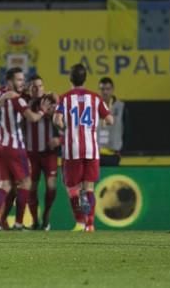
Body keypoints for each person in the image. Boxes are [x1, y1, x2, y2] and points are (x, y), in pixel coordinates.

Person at [0, 68, 53, 231]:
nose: (22, 83)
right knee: (26, 183)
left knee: (5, 184)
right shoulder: (17, 99)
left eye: (23, 80)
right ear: (9, 81)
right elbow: (33, 118)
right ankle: (18, 222)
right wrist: (43, 111)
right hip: (14, 147)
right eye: (19, 80)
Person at [53, 64, 114, 232]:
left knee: (73, 188)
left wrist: (64, 126)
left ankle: (80, 222)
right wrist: (100, 120)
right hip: (91, 149)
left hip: (72, 149)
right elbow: (110, 120)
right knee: (89, 188)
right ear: (85, 78)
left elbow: (57, 120)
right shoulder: (95, 98)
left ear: (70, 79)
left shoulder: (64, 98)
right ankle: (90, 224)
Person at [25, 75, 60, 230]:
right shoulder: (24, 102)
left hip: (48, 153)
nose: (37, 88)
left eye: (40, 86)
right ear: (29, 88)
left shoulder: (51, 102)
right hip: (30, 154)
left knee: (51, 186)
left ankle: (46, 215)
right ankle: (34, 221)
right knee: (31, 188)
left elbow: (65, 124)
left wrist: (60, 139)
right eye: (33, 86)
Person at [97, 77, 127, 166]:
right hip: (95, 155)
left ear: (112, 90)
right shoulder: (93, 107)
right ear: (99, 90)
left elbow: (127, 131)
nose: (105, 92)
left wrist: (123, 150)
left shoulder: (121, 107)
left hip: (113, 155)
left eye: (108, 89)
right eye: (102, 89)